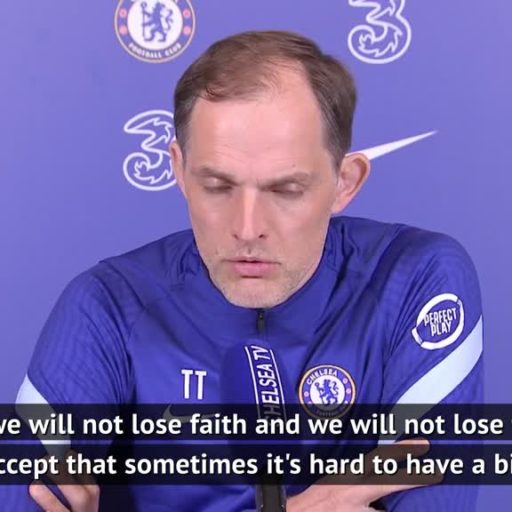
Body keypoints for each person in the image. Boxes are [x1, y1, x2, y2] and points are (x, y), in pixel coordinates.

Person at [7, 30, 482, 511]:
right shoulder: (109, 305)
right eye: (217, 186)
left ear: (345, 182)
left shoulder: (413, 279)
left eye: (286, 190)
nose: (248, 228)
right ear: (179, 169)